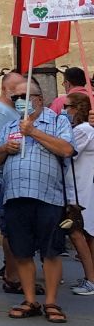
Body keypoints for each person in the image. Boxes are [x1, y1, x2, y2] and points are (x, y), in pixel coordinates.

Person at [0, 79, 75, 323]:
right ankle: (30, 299)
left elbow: (67, 149)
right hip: (16, 196)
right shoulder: (10, 126)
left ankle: (51, 301)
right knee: (22, 251)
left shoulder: (57, 121)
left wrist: (33, 132)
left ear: (38, 99)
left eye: (23, 97)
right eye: (15, 98)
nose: (18, 102)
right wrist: (5, 148)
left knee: (51, 251)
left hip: (49, 196)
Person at [0, 72, 27, 290]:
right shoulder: (2, 112)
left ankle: (14, 270)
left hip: (5, 178)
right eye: (18, 90)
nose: (22, 95)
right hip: (2, 178)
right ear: (6, 89)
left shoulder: (8, 110)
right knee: (10, 228)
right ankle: (12, 273)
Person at [63, 93, 94, 296]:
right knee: (88, 233)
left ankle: (90, 279)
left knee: (77, 232)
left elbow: (68, 151)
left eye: (67, 106)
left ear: (76, 108)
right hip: (82, 186)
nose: (64, 110)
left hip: (79, 189)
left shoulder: (83, 130)